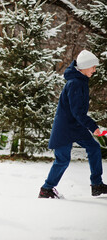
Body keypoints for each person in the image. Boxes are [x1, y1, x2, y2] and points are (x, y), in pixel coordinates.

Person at [39, 50, 107, 198]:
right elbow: (77, 112)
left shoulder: (80, 81)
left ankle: (96, 184)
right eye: (93, 67)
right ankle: (46, 189)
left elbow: (77, 113)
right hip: (65, 128)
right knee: (62, 160)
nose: (94, 70)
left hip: (75, 126)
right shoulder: (75, 83)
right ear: (84, 67)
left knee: (94, 147)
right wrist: (93, 127)